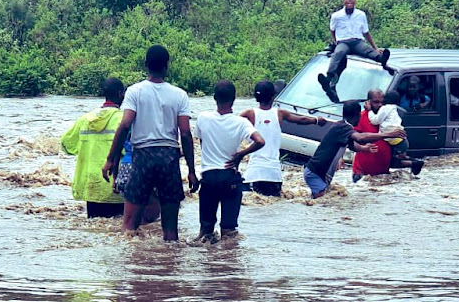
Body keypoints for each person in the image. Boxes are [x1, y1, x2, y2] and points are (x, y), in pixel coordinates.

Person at [102, 45, 199, 242]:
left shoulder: (134, 91)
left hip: (143, 158)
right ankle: (169, 264)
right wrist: (191, 170)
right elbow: (186, 134)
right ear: (167, 66)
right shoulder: (179, 94)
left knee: (129, 228)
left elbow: (124, 126)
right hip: (169, 158)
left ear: (145, 65)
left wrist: (111, 159)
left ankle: (135, 267)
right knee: (171, 231)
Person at [191, 80, 266, 245]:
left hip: (209, 178)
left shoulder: (203, 118)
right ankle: (228, 265)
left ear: (214, 98)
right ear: (234, 99)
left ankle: (208, 265)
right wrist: (240, 155)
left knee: (205, 232)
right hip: (229, 178)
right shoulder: (241, 122)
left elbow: (202, 142)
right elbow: (260, 141)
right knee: (229, 232)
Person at [240, 80, 327, 197]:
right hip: (273, 173)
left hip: (254, 173)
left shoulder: (249, 113)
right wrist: (317, 120)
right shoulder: (280, 113)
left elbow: (231, 123)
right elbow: (301, 120)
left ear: (256, 97)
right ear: (273, 96)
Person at [304, 101, 406, 199]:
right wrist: (388, 134)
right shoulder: (343, 127)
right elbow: (360, 137)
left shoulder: (343, 127)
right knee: (322, 203)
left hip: (320, 174)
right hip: (315, 173)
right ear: (357, 115)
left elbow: (352, 144)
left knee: (322, 203)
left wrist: (362, 148)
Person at [61, 78, 126, 218]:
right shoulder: (123, 120)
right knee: (118, 234)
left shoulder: (85, 119)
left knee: (94, 230)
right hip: (114, 186)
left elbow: (66, 144)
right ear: (121, 94)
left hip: (90, 185)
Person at [318, 0, 392, 103]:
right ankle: (328, 78)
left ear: (355, 0)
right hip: (343, 42)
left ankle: (381, 59)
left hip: (357, 41)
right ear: (343, 1)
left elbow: (366, 32)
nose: (349, 0)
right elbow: (332, 30)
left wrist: (375, 47)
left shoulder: (361, 14)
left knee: (367, 50)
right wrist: (336, 42)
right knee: (338, 53)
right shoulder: (336, 16)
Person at [365, 89, 424, 175]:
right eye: (376, 102)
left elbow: (375, 121)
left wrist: (369, 111)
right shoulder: (394, 109)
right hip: (401, 141)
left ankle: (414, 163)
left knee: (392, 161)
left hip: (396, 141)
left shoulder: (385, 109)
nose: (380, 104)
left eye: (381, 101)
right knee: (396, 159)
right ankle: (415, 162)